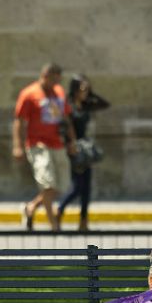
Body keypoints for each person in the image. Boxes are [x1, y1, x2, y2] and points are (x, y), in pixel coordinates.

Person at [13, 63, 78, 232]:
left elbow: (66, 119)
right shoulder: (29, 94)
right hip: (38, 145)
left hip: (58, 144)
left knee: (61, 185)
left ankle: (31, 207)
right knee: (48, 185)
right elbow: (19, 121)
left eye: (58, 80)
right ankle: (54, 225)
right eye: (54, 80)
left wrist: (72, 141)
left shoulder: (59, 92)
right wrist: (18, 146)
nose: (56, 83)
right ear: (45, 76)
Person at [55, 74, 110, 232]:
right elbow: (64, 126)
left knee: (87, 187)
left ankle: (83, 221)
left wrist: (90, 92)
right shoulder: (69, 106)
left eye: (87, 89)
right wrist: (69, 144)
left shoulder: (85, 105)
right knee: (77, 186)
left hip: (85, 149)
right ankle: (59, 210)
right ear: (75, 89)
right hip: (73, 147)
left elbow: (104, 104)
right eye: (82, 89)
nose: (85, 92)